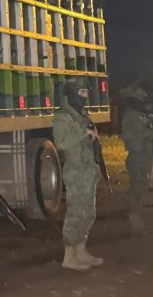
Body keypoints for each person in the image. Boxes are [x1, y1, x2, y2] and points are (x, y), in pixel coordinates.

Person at [52, 78, 104, 270]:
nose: (85, 97)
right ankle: (69, 257)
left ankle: (81, 251)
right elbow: (61, 142)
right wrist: (84, 132)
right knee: (75, 213)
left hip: (87, 170)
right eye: (81, 93)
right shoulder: (63, 116)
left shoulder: (82, 114)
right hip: (75, 172)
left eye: (86, 93)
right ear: (72, 93)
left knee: (88, 213)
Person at [120, 86, 153, 234]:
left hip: (144, 155)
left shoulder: (140, 115)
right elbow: (130, 138)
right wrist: (146, 134)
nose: (142, 101)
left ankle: (134, 214)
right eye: (140, 99)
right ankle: (134, 221)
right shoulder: (130, 117)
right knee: (138, 188)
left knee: (142, 187)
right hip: (137, 156)